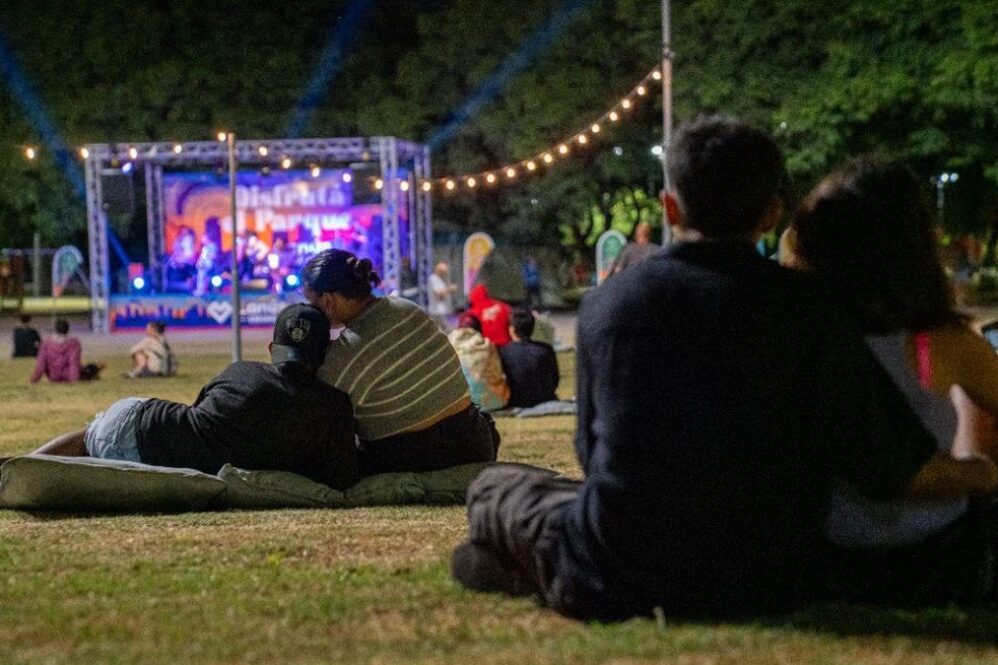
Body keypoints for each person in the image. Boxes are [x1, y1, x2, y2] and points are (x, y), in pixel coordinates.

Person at [450, 116, 997, 622]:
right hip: (769, 571)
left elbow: (592, 455)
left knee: (498, 485)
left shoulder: (608, 304)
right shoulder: (809, 309)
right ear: (771, 213)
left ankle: (519, 564)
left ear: (670, 209)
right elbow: (881, 462)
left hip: (618, 563)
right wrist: (980, 474)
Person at [780, 157, 998, 600]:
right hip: (937, 556)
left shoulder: (793, 337)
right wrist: (981, 470)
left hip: (820, 552)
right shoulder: (943, 343)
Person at [33, 304, 358, 489]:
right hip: (146, 441)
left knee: (90, 436)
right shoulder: (333, 405)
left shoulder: (241, 371)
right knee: (93, 438)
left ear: (272, 349)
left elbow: (199, 412)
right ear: (326, 352)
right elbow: (341, 475)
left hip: (138, 422)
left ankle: (22, 465)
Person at [302, 249, 500, 475]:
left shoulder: (347, 353)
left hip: (416, 459)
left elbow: (317, 417)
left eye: (311, 302)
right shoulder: (407, 307)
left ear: (327, 301)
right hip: (475, 441)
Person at [448, 313, 510, 412]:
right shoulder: (488, 345)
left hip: (461, 406)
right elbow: (498, 374)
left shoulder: (449, 344)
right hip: (496, 402)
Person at [498, 308, 559, 408]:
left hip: (516, 401)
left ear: (512, 329)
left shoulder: (504, 351)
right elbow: (555, 379)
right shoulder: (546, 349)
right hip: (545, 398)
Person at [29, 319, 103, 383]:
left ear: (56, 329)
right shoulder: (73, 343)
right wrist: (74, 379)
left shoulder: (46, 343)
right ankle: (94, 369)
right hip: (68, 376)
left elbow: (41, 364)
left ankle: (94, 369)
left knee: (89, 368)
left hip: (53, 376)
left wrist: (34, 379)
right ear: (68, 330)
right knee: (90, 368)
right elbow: (73, 362)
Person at [427, 261, 457, 330]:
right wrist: (450, 289)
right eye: (444, 271)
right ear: (439, 270)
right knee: (448, 330)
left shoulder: (440, 280)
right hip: (436, 311)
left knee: (444, 330)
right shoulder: (433, 279)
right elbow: (438, 294)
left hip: (441, 311)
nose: (445, 273)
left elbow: (442, 295)